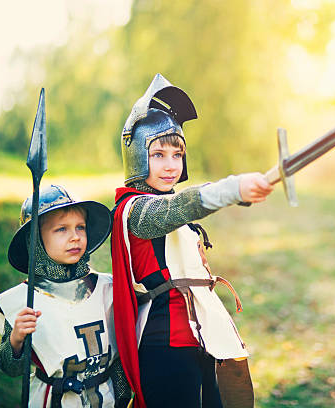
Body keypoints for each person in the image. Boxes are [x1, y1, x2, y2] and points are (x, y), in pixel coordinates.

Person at [111, 74, 274, 408]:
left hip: (201, 338)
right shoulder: (137, 211)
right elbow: (180, 206)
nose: (171, 165)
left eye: (177, 154)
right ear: (138, 156)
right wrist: (232, 189)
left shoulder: (164, 206)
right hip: (165, 347)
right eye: (158, 154)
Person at [0, 185, 131, 408]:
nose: (75, 237)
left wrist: (123, 398)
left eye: (80, 227)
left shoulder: (108, 288)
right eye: (61, 229)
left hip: (106, 399)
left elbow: (121, 359)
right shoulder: (23, 302)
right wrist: (16, 340)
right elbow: (10, 368)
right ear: (36, 240)